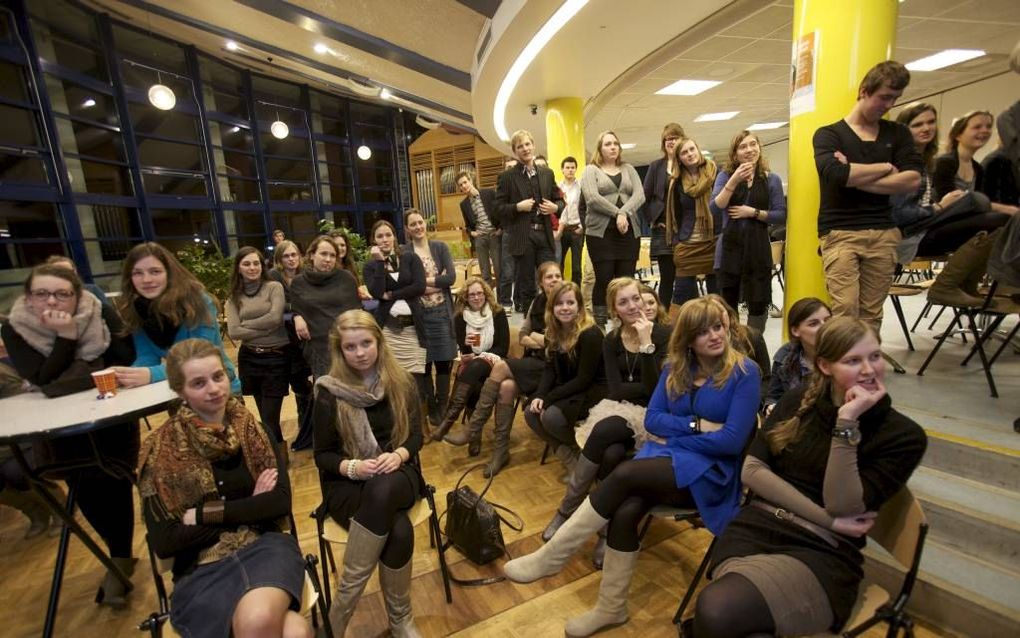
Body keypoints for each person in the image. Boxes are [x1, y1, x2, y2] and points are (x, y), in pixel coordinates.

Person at [504, 297, 761, 637]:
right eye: (702, 332)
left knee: (624, 473)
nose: (714, 336)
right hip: (664, 457)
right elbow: (653, 421)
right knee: (625, 511)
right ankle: (611, 608)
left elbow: (730, 442)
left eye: (718, 327)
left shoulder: (745, 372)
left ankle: (553, 555)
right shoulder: (674, 368)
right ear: (687, 339)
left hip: (711, 473)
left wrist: (680, 433)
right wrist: (698, 427)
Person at [691, 317, 927, 638]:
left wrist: (846, 425)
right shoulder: (798, 399)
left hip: (823, 553)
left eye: (875, 356)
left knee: (717, 612)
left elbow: (841, 504)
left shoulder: (902, 436)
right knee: (730, 623)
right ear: (825, 365)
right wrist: (826, 519)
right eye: (853, 361)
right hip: (757, 530)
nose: (870, 370)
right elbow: (753, 471)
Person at [138, 339, 310, 638]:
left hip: (265, 546)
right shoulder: (159, 451)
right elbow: (166, 541)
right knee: (293, 630)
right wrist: (250, 506)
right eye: (198, 383)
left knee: (257, 622)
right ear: (180, 391)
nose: (214, 389)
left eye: (218, 377)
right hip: (200, 566)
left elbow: (279, 503)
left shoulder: (254, 430)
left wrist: (205, 514)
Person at [2, 263, 139, 607]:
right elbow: (43, 379)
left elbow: (124, 356)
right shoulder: (16, 328)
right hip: (60, 428)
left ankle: (120, 557)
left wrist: (99, 321)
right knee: (84, 488)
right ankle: (117, 556)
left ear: (77, 294)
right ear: (29, 297)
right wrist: (67, 339)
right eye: (42, 293)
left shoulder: (97, 311)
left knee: (115, 480)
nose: (53, 300)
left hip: (108, 416)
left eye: (63, 293)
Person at [543, 278, 671, 569]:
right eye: (623, 302)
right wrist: (635, 388)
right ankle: (605, 529)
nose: (632, 306)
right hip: (618, 410)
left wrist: (647, 344)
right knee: (611, 453)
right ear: (614, 308)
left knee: (605, 431)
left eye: (636, 299)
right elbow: (614, 389)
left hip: (655, 415)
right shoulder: (611, 340)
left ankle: (567, 511)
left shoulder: (664, 334)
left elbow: (655, 392)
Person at [312, 310, 423, 636]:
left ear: (379, 342)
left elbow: (416, 436)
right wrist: (353, 467)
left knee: (383, 489)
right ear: (340, 351)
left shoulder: (402, 381)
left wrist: (399, 454)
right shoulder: (329, 392)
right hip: (348, 483)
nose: (359, 353)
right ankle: (401, 621)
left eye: (366, 343)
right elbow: (323, 456)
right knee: (399, 531)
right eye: (350, 347)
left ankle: (337, 619)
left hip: (398, 476)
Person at [813, 61, 922, 333]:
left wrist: (856, 176)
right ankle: (839, 374)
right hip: (840, 232)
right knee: (845, 312)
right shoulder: (829, 134)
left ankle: (863, 373)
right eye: (884, 97)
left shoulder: (897, 133)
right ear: (864, 91)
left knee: (872, 315)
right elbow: (837, 176)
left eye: (895, 99)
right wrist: (886, 168)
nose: (889, 105)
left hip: (883, 232)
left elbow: (912, 179)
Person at [444, 262, 563, 468]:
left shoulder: (566, 303)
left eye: (557, 276)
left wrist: (539, 339)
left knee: (498, 367)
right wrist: (540, 339)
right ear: (541, 282)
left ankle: (472, 428)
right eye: (549, 277)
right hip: (535, 361)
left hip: (555, 366)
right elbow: (524, 336)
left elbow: (559, 344)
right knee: (506, 387)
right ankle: (501, 451)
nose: (554, 280)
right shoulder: (537, 302)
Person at [111, 242, 239, 393]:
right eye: (138, 273)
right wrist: (128, 375)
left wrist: (151, 374)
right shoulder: (137, 310)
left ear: (170, 273)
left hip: (218, 389)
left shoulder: (198, 302)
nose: (146, 280)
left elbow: (200, 358)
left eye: (155, 271)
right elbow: (147, 356)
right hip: (179, 392)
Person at [430, 277, 511, 474]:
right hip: (475, 363)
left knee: (475, 368)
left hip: (497, 360)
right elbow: (465, 351)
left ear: (486, 294)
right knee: (475, 376)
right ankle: (474, 434)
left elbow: (503, 346)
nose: (476, 297)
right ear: (465, 298)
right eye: (472, 294)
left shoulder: (498, 313)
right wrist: (467, 348)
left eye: (479, 293)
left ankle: (450, 421)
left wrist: (481, 356)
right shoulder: (460, 317)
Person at [891, 103, 989, 264]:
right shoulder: (902, 163)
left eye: (931, 122)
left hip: (924, 227)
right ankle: (947, 284)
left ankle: (956, 283)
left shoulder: (926, 162)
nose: (926, 128)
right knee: (979, 204)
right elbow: (899, 215)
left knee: (993, 219)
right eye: (917, 124)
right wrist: (941, 206)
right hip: (908, 236)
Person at [525, 281, 607, 474]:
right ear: (552, 308)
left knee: (551, 416)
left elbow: (584, 379)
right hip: (570, 387)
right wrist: (540, 395)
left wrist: (547, 399)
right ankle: (570, 459)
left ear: (579, 305)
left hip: (592, 390)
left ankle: (583, 454)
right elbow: (549, 369)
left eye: (570, 302)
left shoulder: (590, 333)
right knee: (530, 411)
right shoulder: (555, 331)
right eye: (559, 303)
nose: (565, 308)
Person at [711, 130, 788, 332]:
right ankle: (731, 348)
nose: (749, 150)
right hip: (729, 251)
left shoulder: (772, 180)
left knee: (758, 303)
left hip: (758, 250)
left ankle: (754, 346)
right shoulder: (725, 176)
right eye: (743, 146)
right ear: (735, 153)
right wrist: (734, 180)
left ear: (759, 148)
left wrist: (752, 212)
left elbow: (780, 215)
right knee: (727, 306)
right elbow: (716, 206)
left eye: (753, 144)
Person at [363, 219, 429, 426]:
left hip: (413, 330)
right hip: (389, 331)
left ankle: (420, 424)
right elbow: (375, 293)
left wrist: (390, 294)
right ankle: (400, 423)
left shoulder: (410, 258)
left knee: (417, 379)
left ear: (395, 236)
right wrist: (381, 264)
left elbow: (419, 286)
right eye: (380, 236)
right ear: (374, 240)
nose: (384, 240)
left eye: (388, 235)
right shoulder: (371, 266)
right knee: (392, 380)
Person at [495, 129, 565, 315]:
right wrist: (518, 207)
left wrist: (555, 208)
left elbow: (560, 201)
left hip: (545, 234)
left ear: (533, 145)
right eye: (520, 146)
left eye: (527, 144)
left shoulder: (547, 173)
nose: (525, 149)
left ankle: (554, 322)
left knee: (552, 281)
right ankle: (532, 327)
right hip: (523, 238)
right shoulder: (507, 177)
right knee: (527, 285)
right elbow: (498, 209)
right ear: (515, 151)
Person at [226, 247, 290, 449]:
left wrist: (247, 326)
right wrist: (265, 329)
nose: (252, 267)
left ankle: (274, 457)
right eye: (246, 263)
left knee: (270, 417)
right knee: (264, 415)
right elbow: (234, 332)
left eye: (256, 263)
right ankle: (278, 454)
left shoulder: (274, 287)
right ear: (238, 267)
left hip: (276, 358)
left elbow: (275, 318)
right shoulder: (233, 297)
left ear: (262, 266)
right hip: (249, 359)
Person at [581, 130, 646, 328]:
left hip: (628, 232)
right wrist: (616, 213)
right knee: (604, 279)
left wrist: (623, 213)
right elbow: (592, 197)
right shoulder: (590, 170)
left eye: (615, 143)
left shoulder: (628, 168)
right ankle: (600, 325)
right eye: (608, 144)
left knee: (626, 279)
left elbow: (640, 195)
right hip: (601, 234)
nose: (612, 147)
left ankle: (624, 323)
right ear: (600, 148)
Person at [404, 208, 458, 429]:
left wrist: (422, 284)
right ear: (407, 229)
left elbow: (451, 277)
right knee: (424, 364)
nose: (418, 227)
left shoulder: (439, 247)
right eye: (413, 224)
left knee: (444, 361)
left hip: (441, 313)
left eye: (420, 222)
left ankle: (443, 405)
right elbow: (405, 285)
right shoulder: (404, 252)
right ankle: (432, 408)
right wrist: (426, 284)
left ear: (425, 224)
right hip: (418, 317)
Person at [289, 235, 361, 379]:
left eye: (332, 255)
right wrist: (296, 317)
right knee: (327, 396)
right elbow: (293, 310)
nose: (328, 259)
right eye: (323, 254)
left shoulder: (346, 279)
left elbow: (357, 313)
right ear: (311, 255)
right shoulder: (298, 283)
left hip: (349, 346)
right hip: (318, 349)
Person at [268, 240, 316, 451]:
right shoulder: (274, 278)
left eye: (294, 254)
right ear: (279, 259)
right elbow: (278, 309)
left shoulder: (306, 275)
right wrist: (296, 312)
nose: (291, 259)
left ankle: (313, 431)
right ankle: (305, 433)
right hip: (286, 341)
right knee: (299, 387)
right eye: (286, 256)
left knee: (311, 386)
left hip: (308, 337)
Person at [667, 136, 721, 310]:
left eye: (692, 149)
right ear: (679, 159)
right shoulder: (676, 183)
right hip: (688, 242)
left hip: (714, 239)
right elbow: (675, 213)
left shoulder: (716, 173)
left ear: (698, 150)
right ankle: (679, 335)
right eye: (684, 152)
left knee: (716, 295)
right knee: (682, 296)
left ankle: (720, 331)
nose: (690, 154)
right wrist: (676, 241)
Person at [934, 110, 1019, 217]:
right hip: (943, 219)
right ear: (958, 135)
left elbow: (980, 200)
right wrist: (1004, 208)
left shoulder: (977, 168)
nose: (985, 131)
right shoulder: (945, 162)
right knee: (1001, 217)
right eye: (977, 127)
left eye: (988, 127)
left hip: (965, 217)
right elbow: (950, 201)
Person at [642, 123, 686, 312]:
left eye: (675, 137)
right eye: (668, 138)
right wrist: (653, 218)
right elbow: (645, 197)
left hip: (685, 230)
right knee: (667, 279)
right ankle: (665, 319)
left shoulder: (687, 164)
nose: (671, 141)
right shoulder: (655, 166)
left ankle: (685, 318)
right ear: (663, 142)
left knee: (685, 279)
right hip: (662, 230)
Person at [765, 297, 831, 415]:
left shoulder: (844, 356)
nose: (824, 327)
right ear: (795, 330)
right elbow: (773, 396)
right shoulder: (784, 356)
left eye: (828, 320)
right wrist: (771, 407)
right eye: (814, 323)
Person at [457, 170, 502, 286]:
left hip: (493, 234)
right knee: (485, 272)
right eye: (461, 185)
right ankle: (489, 298)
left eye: (465, 182)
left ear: (471, 181)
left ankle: (502, 299)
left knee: (499, 269)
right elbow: (467, 225)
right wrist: (471, 233)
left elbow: (500, 211)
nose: (463, 186)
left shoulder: (488, 193)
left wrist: (500, 228)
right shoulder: (464, 204)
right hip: (480, 238)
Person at [558, 156, 584, 284]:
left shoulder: (581, 187)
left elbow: (586, 208)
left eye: (573, 168)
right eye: (567, 168)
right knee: (558, 264)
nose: (570, 170)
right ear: (562, 170)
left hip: (576, 230)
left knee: (576, 267)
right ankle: (560, 292)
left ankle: (577, 296)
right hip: (561, 231)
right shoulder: (557, 187)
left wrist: (582, 227)